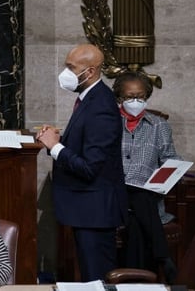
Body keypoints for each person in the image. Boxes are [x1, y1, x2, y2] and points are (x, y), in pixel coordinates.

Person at [36, 43, 127, 281]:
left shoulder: (101, 107)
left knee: (97, 278)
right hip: (87, 209)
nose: (65, 73)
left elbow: (90, 167)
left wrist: (55, 147)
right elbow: (87, 143)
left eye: (71, 67)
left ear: (90, 71)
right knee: (90, 276)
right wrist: (58, 139)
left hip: (95, 211)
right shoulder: (90, 98)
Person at [112, 71, 181, 282]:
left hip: (147, 197)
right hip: (115, 197)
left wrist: (169, 175)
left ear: (147, 96)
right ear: (120, 98)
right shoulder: (108, 123)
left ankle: (130, 282)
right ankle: (163, 257)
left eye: (140, 97)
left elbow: (170, 159)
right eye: (130, 96)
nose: (135, 101)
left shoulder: (159, 125)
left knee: (137, 211)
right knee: (136, 200)